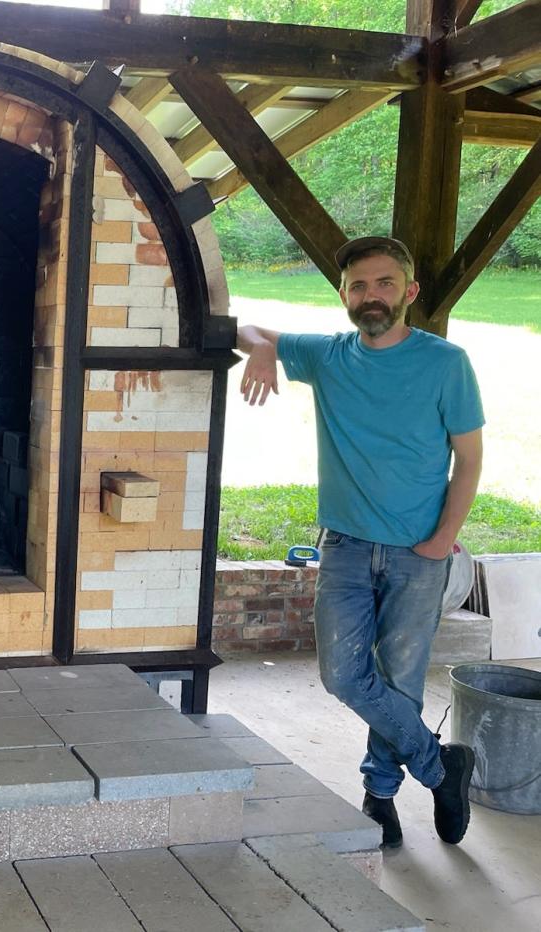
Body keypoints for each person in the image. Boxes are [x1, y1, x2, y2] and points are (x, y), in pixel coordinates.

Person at [237, 236, 483, 849]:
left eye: (384, 284)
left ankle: (380, 798)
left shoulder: (445, 363)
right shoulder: (328, 356)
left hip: (417, 551)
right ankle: (439, 766)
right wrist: (265, 351)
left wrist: (442, 539)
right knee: (344, 675)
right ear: (343, 294)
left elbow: (470, 460)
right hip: (345, 547)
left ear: (410, 291)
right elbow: (239, 324)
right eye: (358, 286)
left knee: (399, 679)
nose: (371, 296)